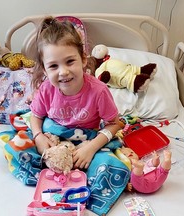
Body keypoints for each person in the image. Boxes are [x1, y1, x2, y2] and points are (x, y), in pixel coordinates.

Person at [29, 16, 121, 170]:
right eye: (53, 66)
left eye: (70, 61)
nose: (63, 72)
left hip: (87, 140)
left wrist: (90, 149)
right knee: (17, 147)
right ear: (44, 70)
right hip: (52, 137)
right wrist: (38, 136)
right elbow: (36, 115)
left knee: (110, 166)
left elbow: (115, 124)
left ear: (84, 59)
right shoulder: (46, 89)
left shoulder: (99, 92)